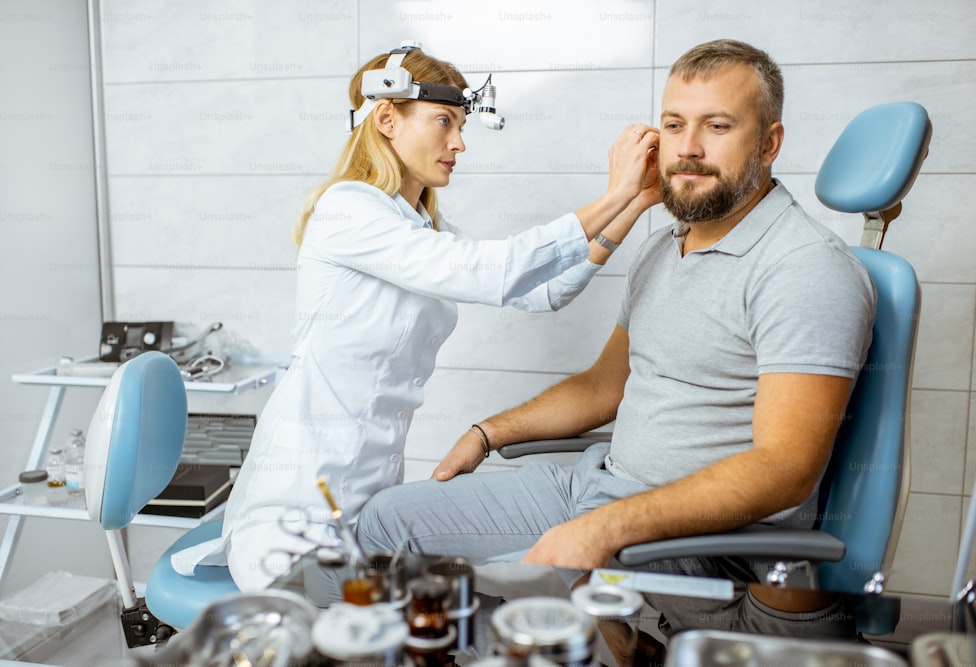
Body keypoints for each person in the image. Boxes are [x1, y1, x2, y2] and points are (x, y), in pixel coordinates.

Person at [348, 39, 877, 634]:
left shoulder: (804, 268)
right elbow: (605, 385)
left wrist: (605, 529)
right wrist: (489, 431)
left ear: (770, 143)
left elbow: (785, 467)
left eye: (718, 126)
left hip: (684, 533)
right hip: (599, 480)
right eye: (674, 125)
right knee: (386, 524)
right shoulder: (666, 244)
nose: (689, 148)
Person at [181, 44, 660, 591]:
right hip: (299, 504)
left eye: (461, 125)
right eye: (444, 122)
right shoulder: (348, 210)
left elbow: (544, 291)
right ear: (387, 118)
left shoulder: (420, 228)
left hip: (370, 498)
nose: (459, 143)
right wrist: (614, 191)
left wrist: (635, 205)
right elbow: (495, 271)